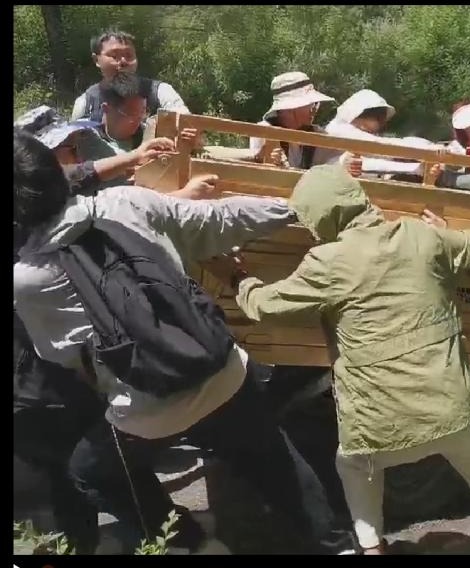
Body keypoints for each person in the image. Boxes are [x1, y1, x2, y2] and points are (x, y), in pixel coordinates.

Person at [12, 131, 355, 555]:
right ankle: (337, 546)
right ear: (56, 172)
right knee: (273, 459)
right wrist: (293, 207)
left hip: (147, 410)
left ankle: (192, 544)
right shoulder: (125, 203)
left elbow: (62, 355)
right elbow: (222, 219)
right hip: (222, 371)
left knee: (92, 472)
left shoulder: (27, 279)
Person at [209, 162, 470, 555]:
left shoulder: (327, 261)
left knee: (353, 465)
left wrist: (237, 277)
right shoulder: (419, 236)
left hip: (379, 427)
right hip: (459, 412)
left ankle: (371, 546)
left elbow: (265, 307)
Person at [15, 105, 212, 199]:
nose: (79, 156)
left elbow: (89, 171)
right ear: (42, 156)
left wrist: (136, 157)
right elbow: (121, 215)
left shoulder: (50, 181)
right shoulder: (48, 200)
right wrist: (182, 196)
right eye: (72, 149)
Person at [70, 30, 189, 135]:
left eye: (129, 55)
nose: (123, 61)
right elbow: (74, 145)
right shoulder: (86, 103)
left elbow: (187, 124)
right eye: (114, 56)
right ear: (96, 60)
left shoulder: (160, 92)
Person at [325, 89, 436, 177]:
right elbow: (379, 146)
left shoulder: (342, 128)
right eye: (377, 117)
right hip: (330, 178)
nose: (380, 123)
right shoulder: (339, 129)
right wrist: (417, 165)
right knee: (358, 162)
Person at [248, 72, 344, 170]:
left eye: (314, 104)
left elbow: (335, 158)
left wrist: (344, 160)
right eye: (310, 104)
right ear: (291, 109)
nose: (314, 109)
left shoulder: (317, 134)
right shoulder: (264, 131)